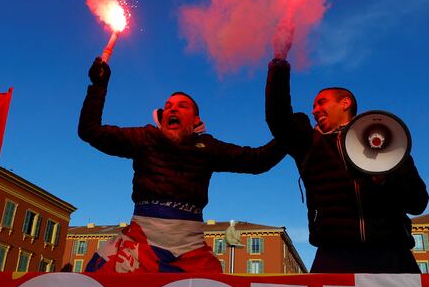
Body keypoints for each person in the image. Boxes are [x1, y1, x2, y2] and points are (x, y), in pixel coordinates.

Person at [79, 57, 284, 273]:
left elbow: (258, 160)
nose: (172, 110)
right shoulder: (145, 137)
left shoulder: (207, 146)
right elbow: (90, 131)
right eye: (168, 107)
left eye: (181, 106)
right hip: (138, 247)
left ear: (196, 120)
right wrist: (98, 86)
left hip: (190, 252)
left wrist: (290, 135)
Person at [265, 57, 428, 273]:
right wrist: (279, 64)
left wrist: (386, 179)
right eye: (313, 106)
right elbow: (278, 117)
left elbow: (418, 203)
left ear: (345, 103)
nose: (314, 110)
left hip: (392, 251)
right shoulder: (308, 143)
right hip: (334, 253)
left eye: (321, 102)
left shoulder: (388, 141)